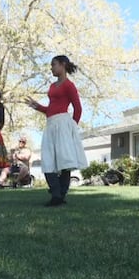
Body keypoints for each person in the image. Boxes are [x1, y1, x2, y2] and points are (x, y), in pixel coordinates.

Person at [25, 55, 88, 206]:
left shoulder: (69, 85)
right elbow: (51, 109)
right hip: (51, 123)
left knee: (64, 160)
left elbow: (78, 108)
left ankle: (59, 196)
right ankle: (56, 192)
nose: (51, 68)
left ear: (63, 64)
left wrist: (72, 127)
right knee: (48, 158)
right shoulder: (53, 86)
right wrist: (37, 106)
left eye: (53, 64)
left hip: (63, 123)